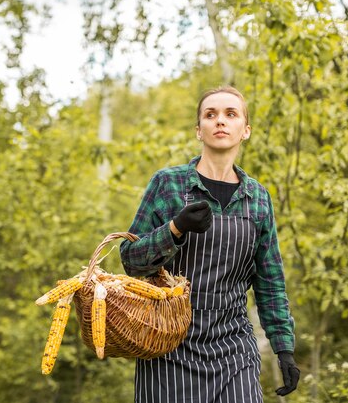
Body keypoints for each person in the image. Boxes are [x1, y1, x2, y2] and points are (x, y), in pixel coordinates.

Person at [120, 86, 299, 403]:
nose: (220, 121)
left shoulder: (258, 198)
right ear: (198, 130)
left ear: (245, 130)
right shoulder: (169, 184)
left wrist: (283, 345)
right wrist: (175, 229)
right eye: (210, 114)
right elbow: (131, 261)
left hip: (233, 348)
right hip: (167, 344)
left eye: (231, 114)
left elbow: (270, 280)